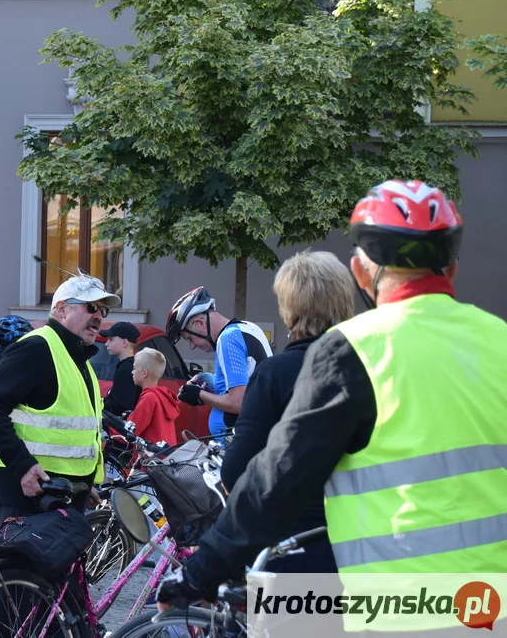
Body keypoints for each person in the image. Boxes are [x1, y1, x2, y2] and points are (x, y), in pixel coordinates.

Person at [157, 180, 507, 615]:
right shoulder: (500, 341)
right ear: (451, 268)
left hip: (399, 599)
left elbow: (277, 478)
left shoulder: (353, 349)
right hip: (490, 603)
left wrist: (199, 573)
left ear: (361, 272)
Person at [219, 250, 355, 573]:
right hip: (365, 545)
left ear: (288, 309)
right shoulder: (370, 366)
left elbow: (236, 470)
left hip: (295, 549)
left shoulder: (276, 374)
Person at [0, 273, 119, 538]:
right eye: (91, 307)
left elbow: (81, 433)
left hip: (66, 495)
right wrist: (23, 466)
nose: (99, 316)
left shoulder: (79, 360)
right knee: (14, 579)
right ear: (62, 309)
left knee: (60, 580)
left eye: (103, 309)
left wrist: (86, 486)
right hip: (29, 494)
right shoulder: (37, 347)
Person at [165, 286, 272, 436]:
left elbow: (238, 402)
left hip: (239, 440)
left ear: (200, 323)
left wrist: (199, 395)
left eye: (189, 338)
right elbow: (250, 381)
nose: (193, 346)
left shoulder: (228, 339)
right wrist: (210, 380)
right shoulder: (248, 328)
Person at [128, 348, 181, 446]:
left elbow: (132, 429)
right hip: (165, 456)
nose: (132, 372)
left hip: (150, 457)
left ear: (144, 373)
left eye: (135, 368)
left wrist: (110, 430)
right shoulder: (163, 396)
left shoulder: (149, 398)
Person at [100, 321, 141, 417]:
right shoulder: (133, 365)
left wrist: (99, 405)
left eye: (111, 339)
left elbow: (121, 405)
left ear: (124, 342)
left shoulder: (126, 368)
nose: (106, 344)